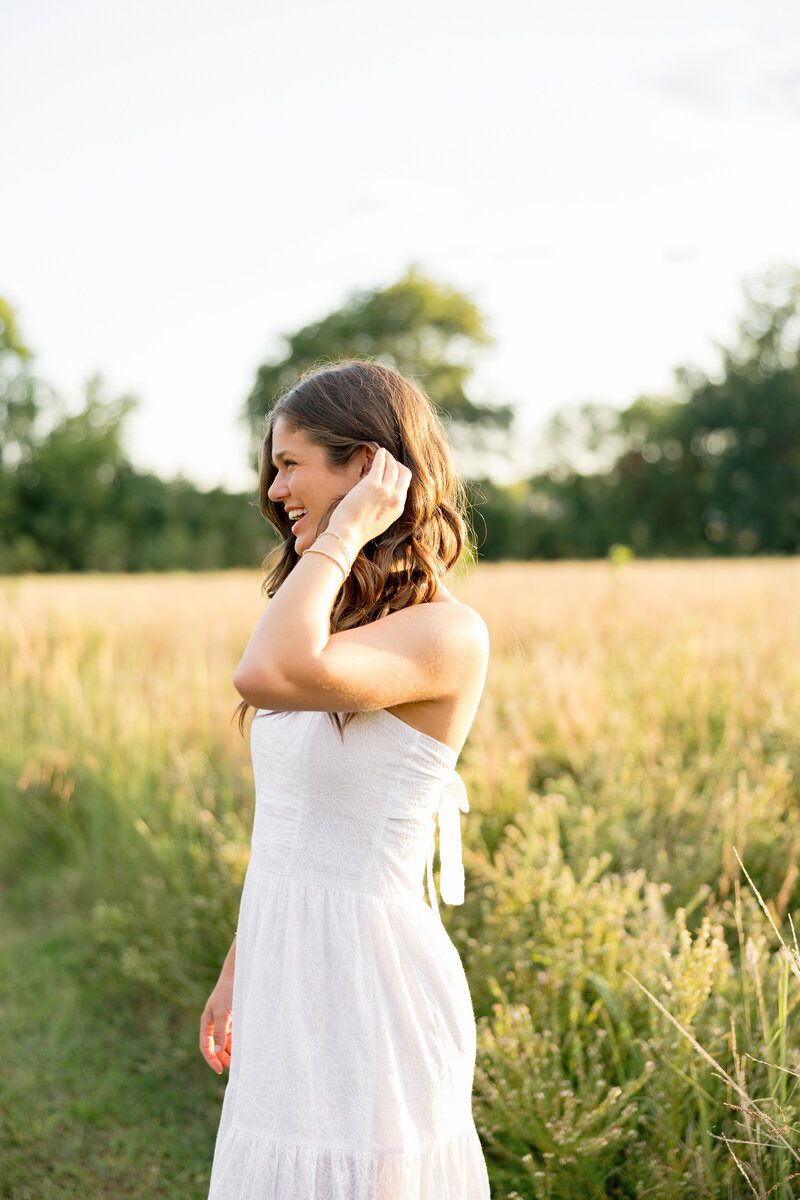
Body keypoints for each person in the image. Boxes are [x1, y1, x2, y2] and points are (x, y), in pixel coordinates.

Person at [200, 360, 491, 1199]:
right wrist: (237, 968)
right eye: (273, 465)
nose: (273, 486)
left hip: (370, 984)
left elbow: (263, 673)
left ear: (367, 467)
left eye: (292, 463)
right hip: (286, 964)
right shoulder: (330, 625)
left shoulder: (447, 632)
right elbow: (292, 829)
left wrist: (342, 532)